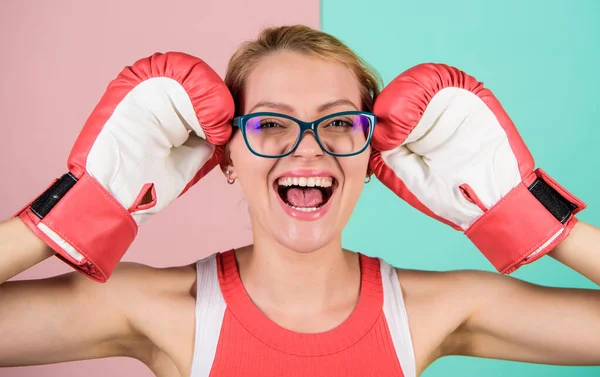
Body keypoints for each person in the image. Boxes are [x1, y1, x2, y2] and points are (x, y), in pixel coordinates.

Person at [0, 25, 599, 377]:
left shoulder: (436, 308)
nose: (307, 151)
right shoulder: (158, 308)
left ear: (373, 156)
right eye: (270, 125)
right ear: (226, 156)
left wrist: (530, 214)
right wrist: (79, 207)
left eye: (339, 123)